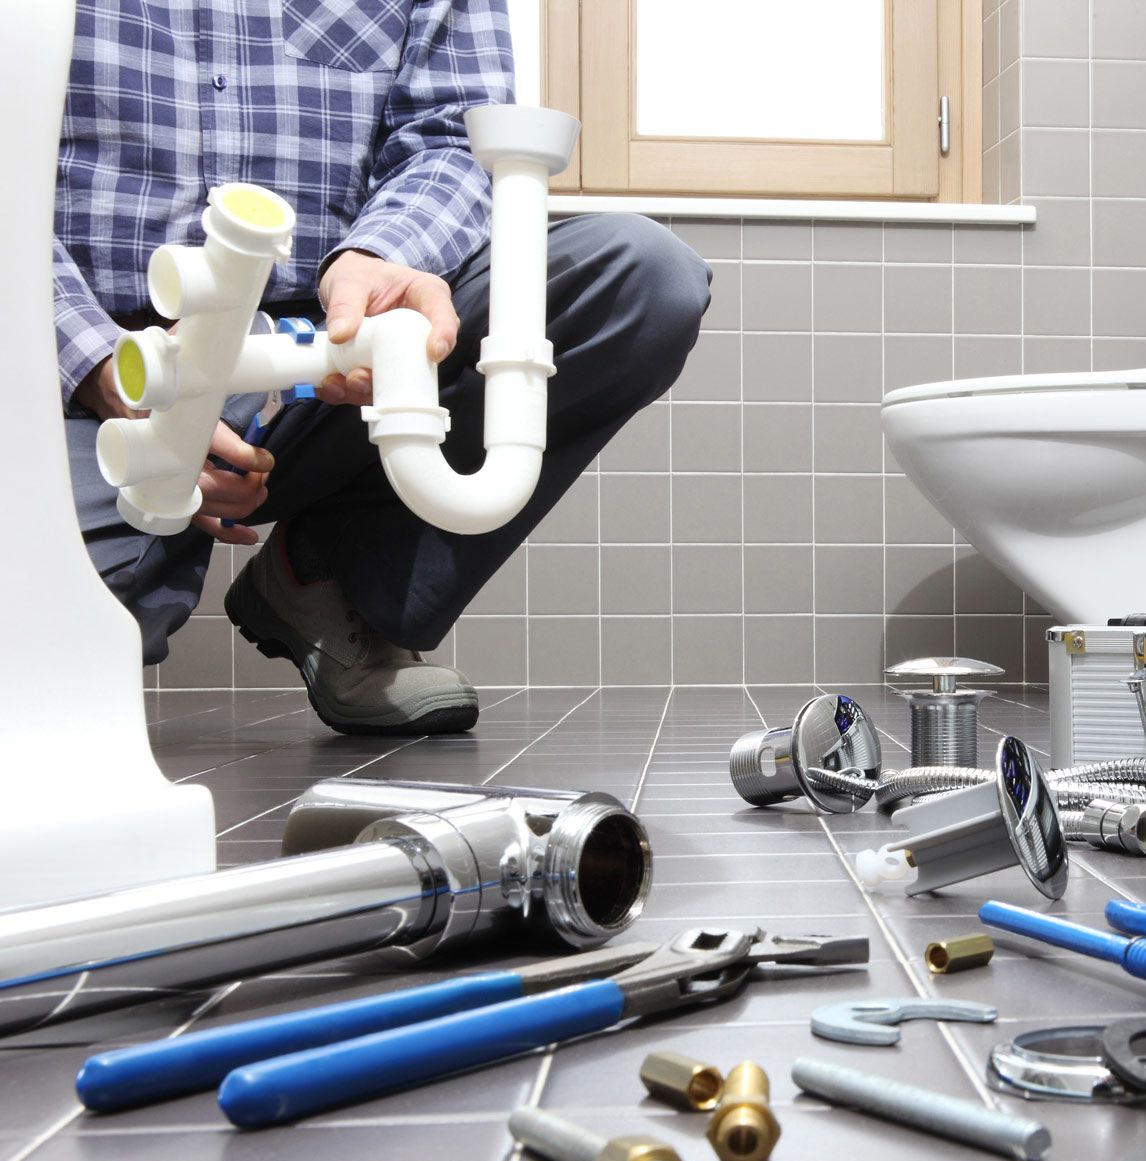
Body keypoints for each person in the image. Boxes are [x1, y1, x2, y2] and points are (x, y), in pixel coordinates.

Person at [57, 0, 709, 734]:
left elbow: (449, 136)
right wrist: (98, 362)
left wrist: (380, 261)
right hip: (89, 366)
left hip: (334, 351)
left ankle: (326, 579)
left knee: (642, 277)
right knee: (51, 656)